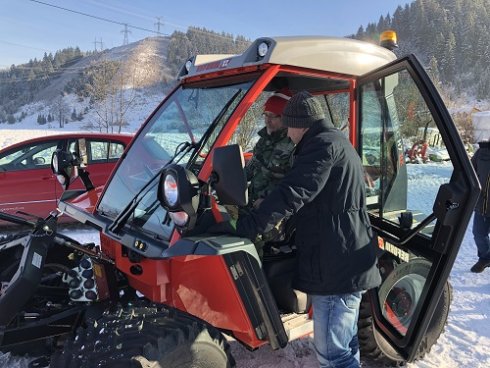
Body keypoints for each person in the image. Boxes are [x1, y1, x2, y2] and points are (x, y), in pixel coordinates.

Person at [236, 91, 381, 368]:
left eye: (289, 126)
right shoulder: (331, 142)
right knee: (346, 344)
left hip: (337, 266)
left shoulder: (322, 146)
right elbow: (314, 198)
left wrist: (250, 226)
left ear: (300, 124)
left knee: (332, 353)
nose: (289, 135)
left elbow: (293, 193)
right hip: (340, 258)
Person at [246, 89, 295, 207]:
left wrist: (268, 198)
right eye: (266, 114)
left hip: (272, 208)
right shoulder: (263, 141)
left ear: (285, 117)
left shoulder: (293, 143)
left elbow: (294, 183)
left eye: (273, 116)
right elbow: (252, 167)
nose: (267, 120)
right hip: (251, 202)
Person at [470, 140, 490, 273]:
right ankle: (485, 258)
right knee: (478, 233)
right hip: (482, 203)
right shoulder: (482, 151)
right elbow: (469, 170)